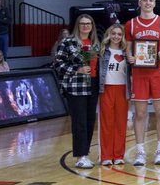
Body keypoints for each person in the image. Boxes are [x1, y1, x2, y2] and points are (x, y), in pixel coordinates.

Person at [125, 0, 160, 166]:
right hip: (139, 74)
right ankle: (140, 152)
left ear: (154, 2)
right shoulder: (130, 24)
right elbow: (128, 49)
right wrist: (130, 57)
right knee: (140, 113)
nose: (147, 2)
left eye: (151, 0)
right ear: (139, 3)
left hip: (158, 72)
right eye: (144, 0)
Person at [53, 13, 100, 169]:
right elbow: (58, 64)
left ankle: (85, 153)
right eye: (82, 23)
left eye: (88, 23)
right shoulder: (67, 42)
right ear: (77, 26)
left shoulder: (95, 43)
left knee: (89, 121)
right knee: (79, 122)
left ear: (92, 26)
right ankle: (81, 156)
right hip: (76, 86)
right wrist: (77, 69)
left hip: (92, 85)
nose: (85, 26)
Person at [96, 23, 129, 166]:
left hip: (122, 89)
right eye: (113, 33)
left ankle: (118, 155)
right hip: (106, 89)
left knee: (121, 123)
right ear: (109, 35)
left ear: (123, 37)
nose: (116, 36)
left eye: (119, 34)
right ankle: (106, 156)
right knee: (106, 123)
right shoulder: (102, 52)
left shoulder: (127, 53)